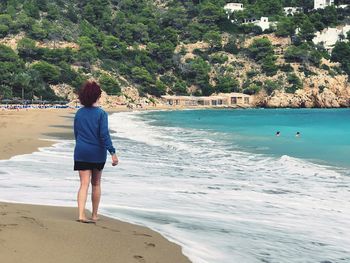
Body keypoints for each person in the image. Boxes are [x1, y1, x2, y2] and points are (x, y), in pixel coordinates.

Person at [74, 81, 118, 223]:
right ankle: (94, 215)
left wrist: (81, 146)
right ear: (97, 96)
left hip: (81, 151)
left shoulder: (79, 113)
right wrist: (112, 152)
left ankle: (81, 215)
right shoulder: (101, 114)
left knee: (83, 183)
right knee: (96, 183)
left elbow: (76, 133)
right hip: (97, 152)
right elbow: (104, 135)